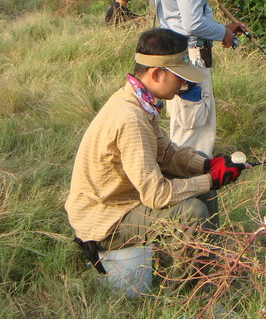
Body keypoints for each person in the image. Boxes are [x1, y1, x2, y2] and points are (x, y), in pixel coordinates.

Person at [65, 28, 246, 285]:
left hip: (122, 199)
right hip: (104, 220)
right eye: (179, 77)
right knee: (191, 211)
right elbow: (156, 195)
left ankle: (208, 267)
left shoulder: (139, 100)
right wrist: (210, 179)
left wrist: (207, 165)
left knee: (204, 181)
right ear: (157, 73)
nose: (184, 84)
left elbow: (167, 153)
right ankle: (187, 294)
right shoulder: (130, 118)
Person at [157, 0, 247, 157]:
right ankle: (192, 185)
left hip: (176, 55)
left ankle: (183, 178)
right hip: (189, 60)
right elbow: (193, 23)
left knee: (185, 125)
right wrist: (225, 33)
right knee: (195, 127)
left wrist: (221, 29)